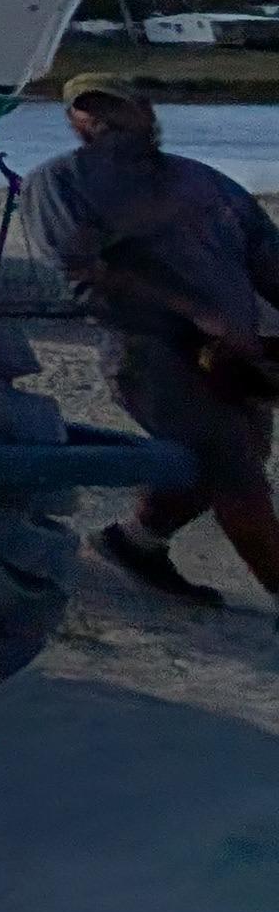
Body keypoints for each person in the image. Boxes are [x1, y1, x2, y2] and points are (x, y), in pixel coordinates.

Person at [32, 73, 279, 608]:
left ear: (145, 112)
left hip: (235, 355)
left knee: (228, 459)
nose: (104, 120)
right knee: (233, 468)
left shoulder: (205, 183)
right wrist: (198, 312)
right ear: (74, 123)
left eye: (116, 108)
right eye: (88, 111)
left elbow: (266, 255)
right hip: (148, 349)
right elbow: (79, 271)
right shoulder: (61, 182)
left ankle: (134, 544)